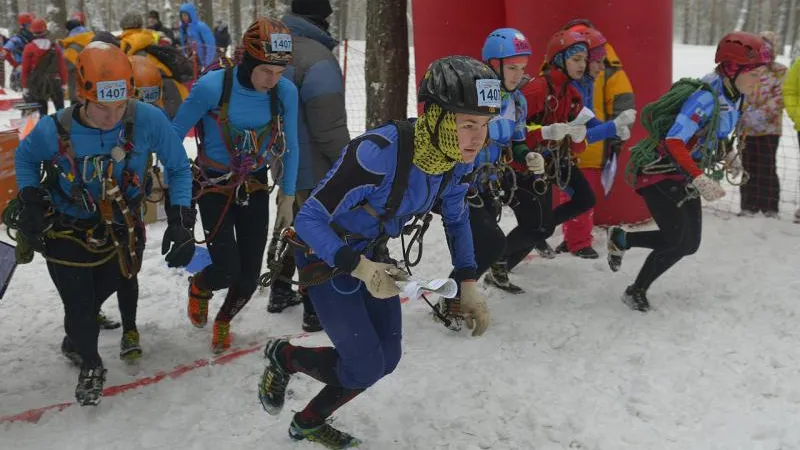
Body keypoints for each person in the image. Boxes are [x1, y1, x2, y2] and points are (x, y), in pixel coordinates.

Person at [257, 55, 494, 449]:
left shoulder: (454, 161)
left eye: (484, 125)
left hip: (372, 253)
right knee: (364, 364)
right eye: (467, 124)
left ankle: (309, 422)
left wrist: (467, 281)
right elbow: (309, 220)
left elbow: (456, 218)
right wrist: (359, 267)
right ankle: (284, 357)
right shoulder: (377, 153)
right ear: (435, 117)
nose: (478, 137)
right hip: (325, 255)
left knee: (387, 358)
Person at [13, 42, 195, 405]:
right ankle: (91, 364)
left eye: (120, 106)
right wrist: (31, 196)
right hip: (68, 226)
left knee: (109, 285)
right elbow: (25, 158)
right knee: (79, 304)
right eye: (101, 108)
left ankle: (76, 338)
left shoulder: (147, 119)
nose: (112, 118)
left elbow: (178, 167)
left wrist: (181, 219)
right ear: (81, 96)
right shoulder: (54, 129)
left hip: (122, 225)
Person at [608, 31, 769, 311]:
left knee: (689, 244)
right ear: (733, 70)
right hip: (658, 171)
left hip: (683, 171)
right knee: (676, 240)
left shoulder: (736, 95)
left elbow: (715, 134)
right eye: (754, 74)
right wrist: (700, 178)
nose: (759, 81)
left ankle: (622, 239)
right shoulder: (705, 98)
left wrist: (730, 156)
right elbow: (673, 140)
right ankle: (636, 291)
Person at [172, 18, 299, 353]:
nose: (273, 81)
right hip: (213, 184)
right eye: (266, 72)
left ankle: (225, 319)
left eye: (279, 73)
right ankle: (201, 285)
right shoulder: (212, 87)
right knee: (226, 268)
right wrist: (176, 194)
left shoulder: (285, 92)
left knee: (250, 272)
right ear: (249, 61)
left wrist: (288, 194)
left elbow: (293, 145)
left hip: (254, 182)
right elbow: (172, 137)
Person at [486, 29, 634, 293]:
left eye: (584, 59)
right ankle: (500, 259)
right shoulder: (537, 90)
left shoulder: (572, 93)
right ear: (559, 60)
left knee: (580, 201)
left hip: (553, 159)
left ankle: (517, 248)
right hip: (527, 166)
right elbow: (512, 134)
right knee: (537, 227)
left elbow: (581, 135)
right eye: (576, 59)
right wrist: (544, 135)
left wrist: (601, 130)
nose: (584, 65)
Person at [438, 28, 537, 325]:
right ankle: (451, 301)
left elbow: (517, 141)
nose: (518, 74)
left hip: (490, 181)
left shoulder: (518, 101)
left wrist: (526, 155)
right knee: (491, 243)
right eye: (512, 67)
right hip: (461, 181)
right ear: (494, 64)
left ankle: (455, 296)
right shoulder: (474, 95)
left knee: (483, 245)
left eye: (522, 68)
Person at [265, 0, 351, 333]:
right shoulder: (317, 58)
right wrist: (350, 165)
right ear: (322, 19)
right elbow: (328, 128)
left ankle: (280, 288)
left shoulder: (276, 50)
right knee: (315, 234)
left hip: (284, 160)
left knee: (292, 223)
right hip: (315, 165)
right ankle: (315, 308)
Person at [556, 20, 636, 258]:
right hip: (588, 147)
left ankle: (570, 238)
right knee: (581, 196)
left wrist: (616, 129)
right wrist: (615, 129)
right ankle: (577, 242)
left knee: (572, 195)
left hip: (585, 145)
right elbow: (622, 101)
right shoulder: (607, 68)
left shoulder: (569, 66)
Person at [737, 31, 786, 217]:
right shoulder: (744, 69)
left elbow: (780, 97)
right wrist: (746, 113)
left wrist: (762, 114)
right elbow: (739, 91)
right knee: (747, 166)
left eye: (767, 48)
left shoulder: (779, 71)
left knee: (767, 166)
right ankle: (748, 205)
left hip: (770, 128)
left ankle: (770, 206)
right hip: (746, 128)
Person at [21, 19, 67, 115]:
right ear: (45, 30)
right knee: (60, 110)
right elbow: (62, 66)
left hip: (38, 82)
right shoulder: (55, 46)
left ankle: (44, 127)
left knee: (42, 111)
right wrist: (64, 83)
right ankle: (62, 128)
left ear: (32, 31)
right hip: (55, 80)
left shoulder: (29, 47)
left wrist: (25, 86)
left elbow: (25, 69)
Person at [178, 3, 216, 71]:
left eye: (186, 15)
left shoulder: (201, 26)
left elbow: (210, 45)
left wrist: (207, 64)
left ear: (191, 14)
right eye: (182, 15)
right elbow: (183, 44)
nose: (184, 17)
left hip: (202, 61)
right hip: (189, 60)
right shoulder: (183, 28)